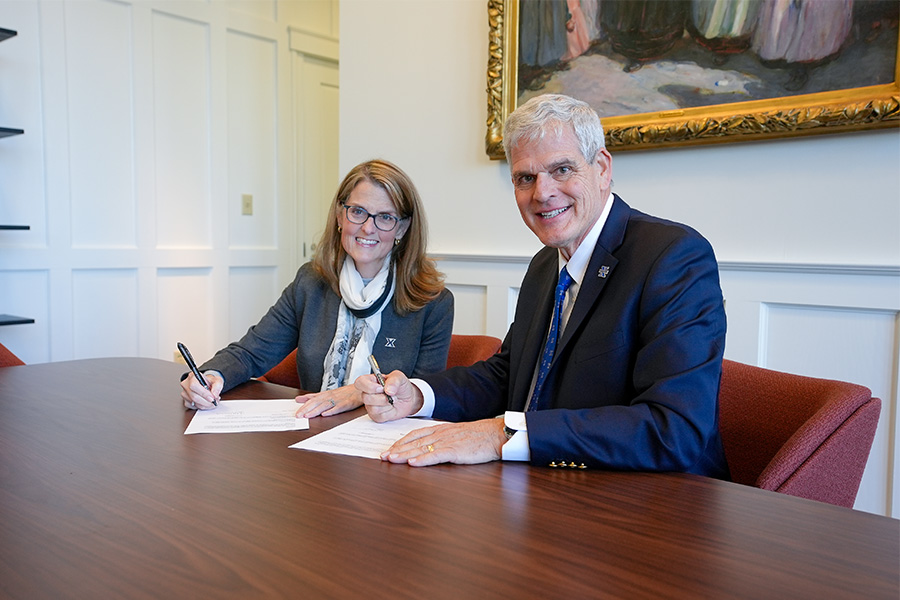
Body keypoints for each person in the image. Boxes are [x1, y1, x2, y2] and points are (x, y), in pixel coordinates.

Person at [357, 94, 729, 478]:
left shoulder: (673, 256)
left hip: (661, 506)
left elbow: (673, 429)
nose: (542, 192)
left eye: (562, 169)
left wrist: (503, 434)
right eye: (525, 178)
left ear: (601, 168)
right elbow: (510, 375)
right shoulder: (545, 265)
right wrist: (417, 395)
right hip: (553, 487)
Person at [180, 159, 454, 417]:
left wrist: (360, 393)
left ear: (402, 228)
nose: (368, 228)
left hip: (385, 443)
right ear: (339, 215)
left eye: (385, 217)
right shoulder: (311, 283)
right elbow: (252, 351)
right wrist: (211, 375)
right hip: (313, 434)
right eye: (358, 212)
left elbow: (420, 395)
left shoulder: (433, 303)